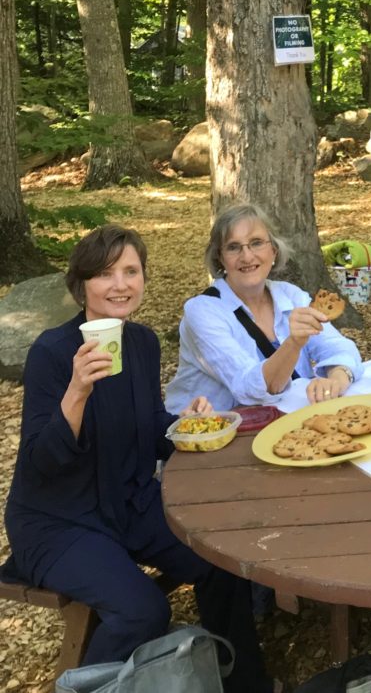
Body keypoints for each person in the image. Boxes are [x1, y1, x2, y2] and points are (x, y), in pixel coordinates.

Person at [1, 225, 274, 693]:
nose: (121, 284)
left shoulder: (143, 343)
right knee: (143, 609)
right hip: (58, 520)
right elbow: (40, 463)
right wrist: (77, 392)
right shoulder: (52, 352)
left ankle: (241, 682)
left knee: (221, 560)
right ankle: (88, 687)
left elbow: (150, 430)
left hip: (129, 502)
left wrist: (183, 424)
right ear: (82, 284)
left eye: (131, 271)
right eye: (106, 274)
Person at [165, 203, 363, 413]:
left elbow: (339, 347)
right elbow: (250, 388)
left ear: (274, 250)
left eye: (256, 243)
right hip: (211, 434)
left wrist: (335, 380)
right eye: (233, 247)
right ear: (220, 258)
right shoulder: (203, 312)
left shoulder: (291, 295)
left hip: (278, 421)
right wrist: (294, 343)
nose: (247, 256)